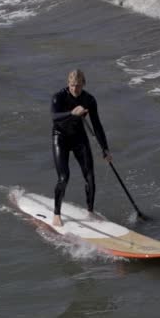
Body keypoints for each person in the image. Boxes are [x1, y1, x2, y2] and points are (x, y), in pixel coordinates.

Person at [50, 68, 112, 227]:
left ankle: (90, 212)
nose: (75, 89)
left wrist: (105, 149)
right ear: (68, 83)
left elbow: (97, 126)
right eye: (72, 85)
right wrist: (72, 113)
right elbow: (54, 118)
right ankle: (56, 214)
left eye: (78, 85)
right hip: (61, 138)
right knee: (64, 178)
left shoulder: (89, 100)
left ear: (83, 84)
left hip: (79, 138)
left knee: (90, 176)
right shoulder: (59, 97)